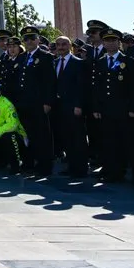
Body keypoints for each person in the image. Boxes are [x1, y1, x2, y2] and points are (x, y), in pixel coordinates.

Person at [91, 27, 134, 184]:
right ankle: (114, 173)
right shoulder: (100, 62)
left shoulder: (128, 62)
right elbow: (97, 88)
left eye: (113, 40)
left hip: (124, 110)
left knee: (130, 144)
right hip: (107, 110)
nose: (110, 43)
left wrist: (133, 108)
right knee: (110, 143)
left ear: (119, 42)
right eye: (107, 40)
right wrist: (97, 108)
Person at [17, 26, 56, 176]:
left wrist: (48, 102)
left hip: (39, 103)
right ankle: (28, 163)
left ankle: (44, 166)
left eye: (32, 38)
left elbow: (50, 82)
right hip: (24, 103)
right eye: (26, 39)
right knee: (26, 135)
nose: (29, 41)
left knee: (42, 136)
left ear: (38, 39)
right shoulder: (22, 58)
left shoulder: (46, 56)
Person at [52, 35, 91, 178]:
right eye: (58, 44)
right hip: (59, 107)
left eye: (64, 44)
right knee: (66, 138)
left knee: (78, 138)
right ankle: (71, 166)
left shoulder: (78, 63)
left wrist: (79, 105)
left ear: (70, 46)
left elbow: (81, 87)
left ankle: (81, 168)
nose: (61, 47)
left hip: (74, 106)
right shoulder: (54, 62)